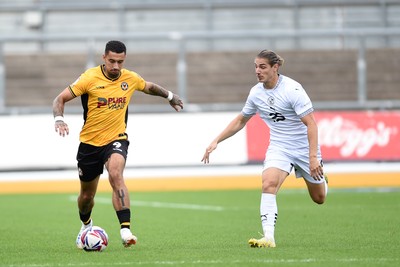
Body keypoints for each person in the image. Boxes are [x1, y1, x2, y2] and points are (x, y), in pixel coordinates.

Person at [53, 40, 183, 249]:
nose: (115, 66)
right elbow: (60, 99)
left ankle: (125, 230)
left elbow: (148, 86)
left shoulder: (129, 78)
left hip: (117, 138)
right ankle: (86, 224)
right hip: (89, 143)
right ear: (104, 57)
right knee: (87, 197)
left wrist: (170, 96)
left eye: (120, 62)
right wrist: (59, 119)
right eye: (112, 61)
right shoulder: (89, 78)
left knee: (115, 173)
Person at [201, 49, 327, 248]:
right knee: (268, 183)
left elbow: (311, 124)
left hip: (303, 148)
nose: (257, 71)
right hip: (279, 147)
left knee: (319, 198)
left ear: (275, 67)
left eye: (262, 67)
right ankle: (269, 237)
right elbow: (241, 119)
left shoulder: (292, 90)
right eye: (255, 66)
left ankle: (321, 178)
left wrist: (312, 158)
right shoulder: (256, 92)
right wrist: (217, 140)